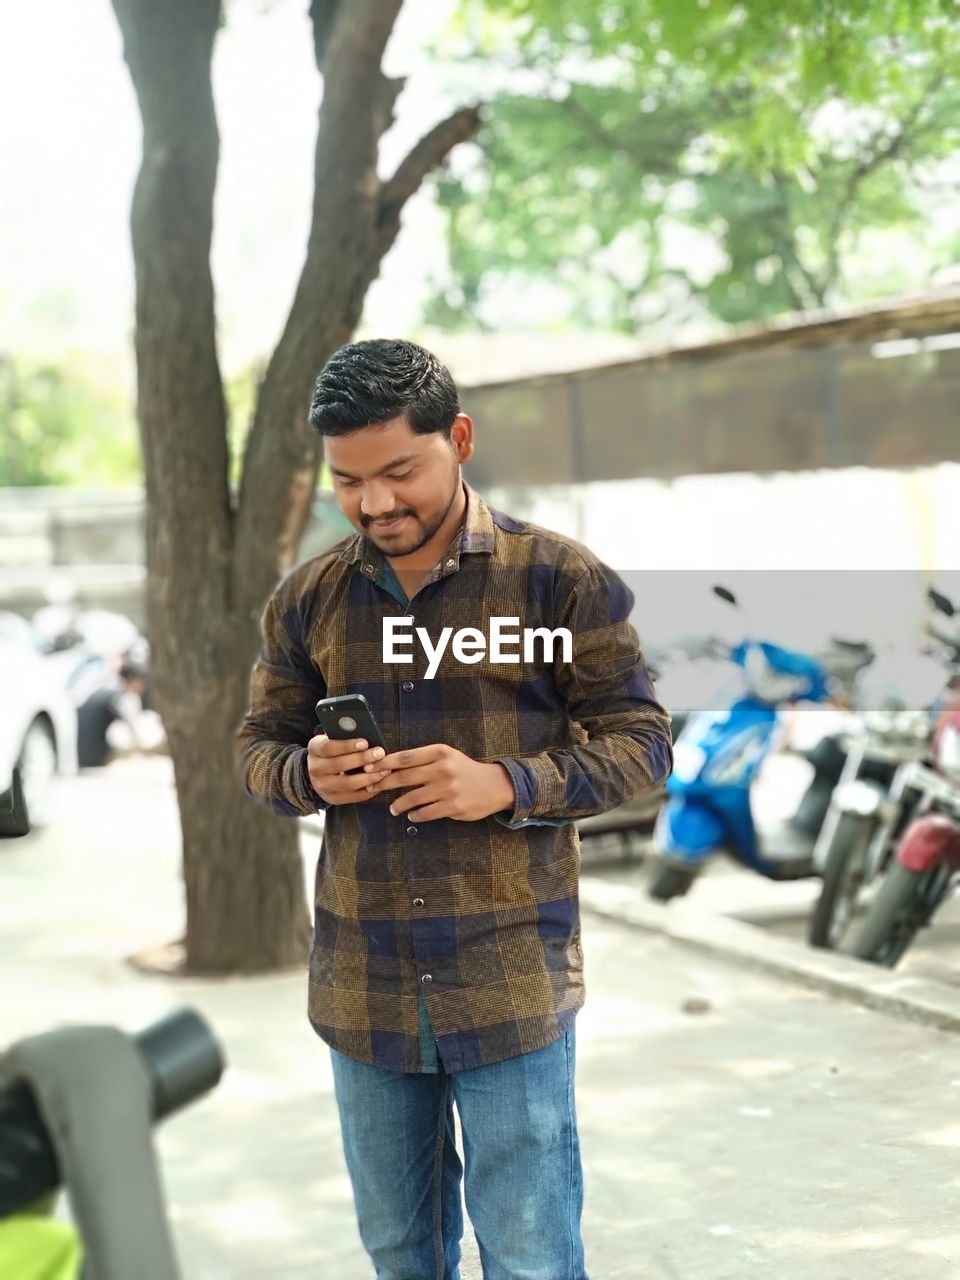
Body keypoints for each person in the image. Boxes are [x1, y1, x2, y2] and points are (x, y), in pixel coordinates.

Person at [236, 339, 673, 1279]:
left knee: (529, 1255)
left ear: (459, 439)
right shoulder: (309, 599)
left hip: (510, 973)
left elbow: (642, 742)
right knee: (401, 1254)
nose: (377, 504)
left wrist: (509, 785)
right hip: (364, 984)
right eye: (349, 482)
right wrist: (308, 774)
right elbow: (255, 751)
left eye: (400, 471)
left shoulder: (559, 579)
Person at [75, 661, 147, 769]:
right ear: (133, 680)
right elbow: (132, 726)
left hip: (77, 753)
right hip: (94, 756)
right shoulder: (122, 698)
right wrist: (142, 747)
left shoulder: (104, 689)